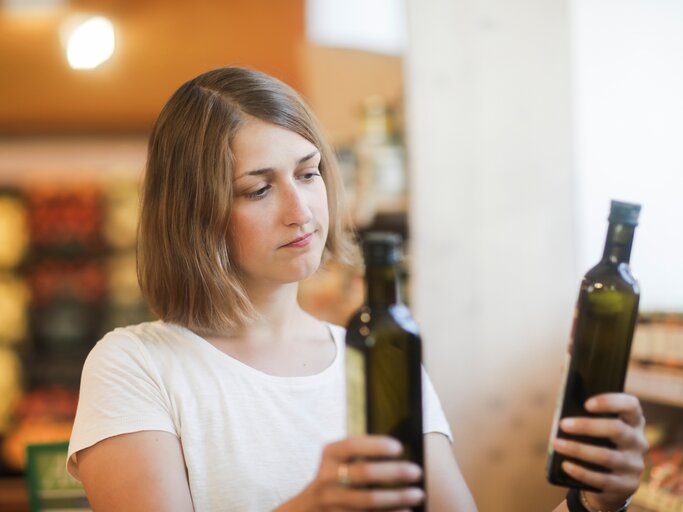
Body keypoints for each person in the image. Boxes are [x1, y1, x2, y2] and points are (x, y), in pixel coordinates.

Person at [67, 66, 648, 511]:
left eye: (308, 172)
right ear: (193, 212)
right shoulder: (136, 365)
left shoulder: (375, 353)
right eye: (257, 189)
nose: (301, 212)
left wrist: (594, 501)